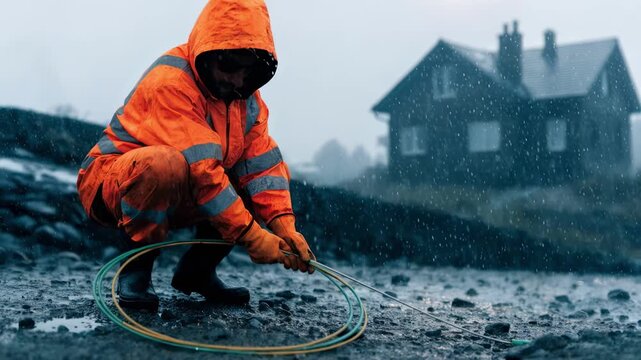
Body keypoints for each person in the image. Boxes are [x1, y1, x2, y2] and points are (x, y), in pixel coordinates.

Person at [76, 0, 314, 311]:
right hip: (113, 181)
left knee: (245, 178)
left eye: (247, 70)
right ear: (209, 53)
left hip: (181, 187)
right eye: (229, 67)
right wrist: (254, 237)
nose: (237, 80)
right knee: (163, 166)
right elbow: (203, 172)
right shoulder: (171, 82)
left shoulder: (247, 100)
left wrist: (284, 226)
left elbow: (261, 168)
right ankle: (135, 268)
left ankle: (197, 273)